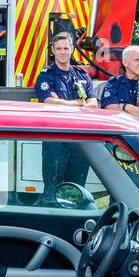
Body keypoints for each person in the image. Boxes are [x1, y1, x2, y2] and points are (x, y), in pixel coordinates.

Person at [34, 30, 96, 195]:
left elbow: (93, 104)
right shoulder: (46, 76)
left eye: (66, 48)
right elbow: (49, 103)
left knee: (77, 190)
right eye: (59, 48)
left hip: (79, 140)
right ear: (53, 50)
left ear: (72, 50)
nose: (62, 52)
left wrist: (61, 102)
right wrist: (78, 103)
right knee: (52, 190)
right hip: (55, 140)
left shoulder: (82, 76)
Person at [100, 45, 139, 122]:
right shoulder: (113, 84)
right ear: (125, 63)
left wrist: (126, 107)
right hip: (122, 132)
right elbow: (112, 113)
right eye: (137, 60)